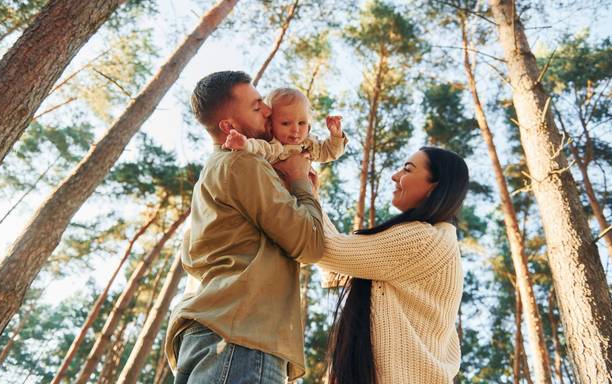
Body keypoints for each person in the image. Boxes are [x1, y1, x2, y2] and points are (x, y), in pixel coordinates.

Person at [164, 71, 325, 383]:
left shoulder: (215, 170)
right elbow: (310, 244)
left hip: (211, 333)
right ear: (229, 126)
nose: (267, 110)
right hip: (240, 338)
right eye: (256, 107)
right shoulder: (243, 163)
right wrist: (301, 181)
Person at [316, 147, 469, 384]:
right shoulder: (441, 242)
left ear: (434, 186)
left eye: (407, 169)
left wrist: (301, 187)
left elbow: (327, 249)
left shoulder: (424, 240)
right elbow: (335, 269)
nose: (395, 175)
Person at [223, 87, 347, 164]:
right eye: (285, 123)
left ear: (309, 125)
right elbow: (260, 148)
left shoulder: (309, 143)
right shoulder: (274, 145)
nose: (295, 130)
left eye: (302, 123)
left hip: (304, 201)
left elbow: (329, 152)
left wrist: (335, 135)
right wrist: (245, 144)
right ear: (271, 124)